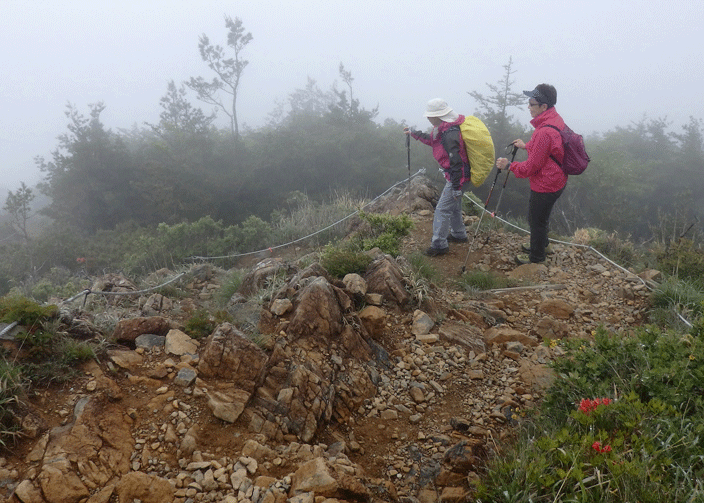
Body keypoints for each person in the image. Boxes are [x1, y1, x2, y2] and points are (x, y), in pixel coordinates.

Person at [496, 84, 567, 265]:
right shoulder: (554, 120)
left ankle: (536, 257)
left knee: (535, 220)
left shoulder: (543, 131)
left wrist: (509, 165)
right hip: (557, 179)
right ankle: (542, 244)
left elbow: (530, 168)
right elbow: (548, 150)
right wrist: (526, 145)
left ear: (544, 106)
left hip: (545, 184)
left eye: (532, 103)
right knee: (541, 217)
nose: (528, 106)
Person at [405, 99, 471, 256]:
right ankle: (459, 234)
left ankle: (439, 245)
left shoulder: (450, 134)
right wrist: (413, 133)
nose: (428, 118)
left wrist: (456, 186)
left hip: (458, 176)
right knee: (454, 207)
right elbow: (431, 140)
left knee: (441, 210)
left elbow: (456, 161)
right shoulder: (442, 130)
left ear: (439, 116)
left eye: (430, 115)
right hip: (457, 175)